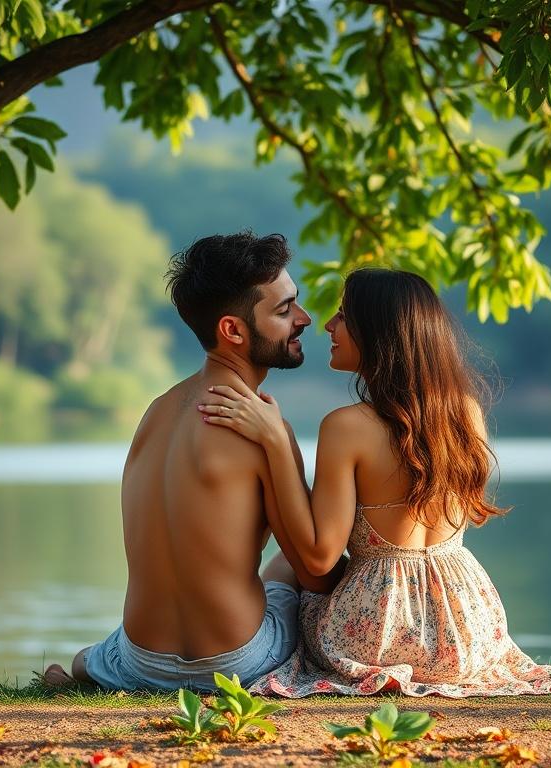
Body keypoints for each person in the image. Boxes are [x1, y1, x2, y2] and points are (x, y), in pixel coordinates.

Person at [198, 268, 551, 697]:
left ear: (379, 332)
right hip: (466, 633)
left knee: (285, 565)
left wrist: (277, 443)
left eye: (343, 316)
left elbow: (317, 559)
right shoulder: (465, 412)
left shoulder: (346, 427)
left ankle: (224, 645)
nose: (328, 326)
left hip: (376, 636)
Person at [43, 231, 339, 691]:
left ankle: (94, 667)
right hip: (238, 661)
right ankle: (97, 665)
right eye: (284, 310)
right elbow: (315, 574)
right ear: (233, 330)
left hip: (143, 659)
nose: (303, 319)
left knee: (98, 655)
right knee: (285, 566)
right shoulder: (262, 428)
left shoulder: (155, 412)